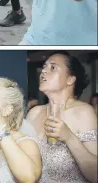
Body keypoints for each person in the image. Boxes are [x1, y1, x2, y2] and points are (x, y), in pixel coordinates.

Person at [27, 52, 97, 183]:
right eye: (44, 67)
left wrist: (69, 137)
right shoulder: (34, 113)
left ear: (70, 79)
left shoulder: (83, 113)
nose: (43, 71)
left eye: (53, 68)